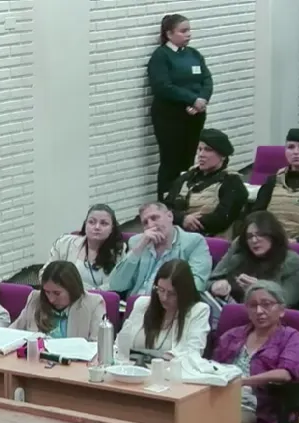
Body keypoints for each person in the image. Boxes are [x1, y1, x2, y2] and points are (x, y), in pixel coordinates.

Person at [211, 281, 299, 423]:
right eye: (253, 305)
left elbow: (285, 373)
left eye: (266, 304)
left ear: (281, 310)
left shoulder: (290, 336)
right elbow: (211, 367)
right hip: (218, 395)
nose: (259, 311)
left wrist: (243, 382)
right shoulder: (232, 335)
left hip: (251, 405)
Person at [147, 13, 213, 199]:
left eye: (189, 30)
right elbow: (163, 87)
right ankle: (165, 201)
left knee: (188, 159)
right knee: (171, 161)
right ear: (169, 34)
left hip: (194, 114)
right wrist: (191, 99)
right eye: (183, 31)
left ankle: (184, 199)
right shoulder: (161, 56)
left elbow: (207, 79)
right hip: (170, 117)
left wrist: (201, 100)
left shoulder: (193, 54)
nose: (188, 34)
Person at [109, 201, 212, 298]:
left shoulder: (194, 242)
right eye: (145, 223)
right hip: (135, 304)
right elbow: (116, 285)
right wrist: (139, 247)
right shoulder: (137, 242)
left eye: (154, 218)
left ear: (170, 216)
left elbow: (196, 285)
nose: (150, 225)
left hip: (169, 304)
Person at [208, 211, 299, 309]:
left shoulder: (294, 263)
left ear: (273, 235)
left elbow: (287, 301)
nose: (254, 240)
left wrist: (260, 289)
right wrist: (214, 286)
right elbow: (209, 281)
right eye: (249, 236)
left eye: (260, 234)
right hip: (227, 309)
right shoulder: (240, 254)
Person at [117, 259, 210, 360]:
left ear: (184, 293)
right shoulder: (142, 304)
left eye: (172, 293)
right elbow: (119, 344)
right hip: (132, 366)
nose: (164, 298)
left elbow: (193, 354)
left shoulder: (198, 311)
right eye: (161, 290)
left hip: (170, 369)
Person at [162, 128, 247, 237]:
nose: (201, 154)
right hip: (178, 236)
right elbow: (164, 208)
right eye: (199, 149)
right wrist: (183, 219)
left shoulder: (232, 182)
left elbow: (222, 218)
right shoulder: (186, 177)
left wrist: (191, 222)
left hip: (212, 239)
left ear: (223, 155)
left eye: (208, 150)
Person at [41, 204, 128, 291]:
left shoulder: (118, 251)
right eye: (92, 222)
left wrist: (85, 292)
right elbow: (44, 274)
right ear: (85, 224)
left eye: (103, 223)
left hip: (97, 297)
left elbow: (115, 285)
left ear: (112, 228)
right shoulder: (64, 243)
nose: (97, 227)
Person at [10, 261, 106, 339]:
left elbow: (98, 346)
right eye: (47, 292)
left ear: (72, 289)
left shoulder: (93, 304)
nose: (51, 300)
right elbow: (12, 333)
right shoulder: (35, 299)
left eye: (57, 293)